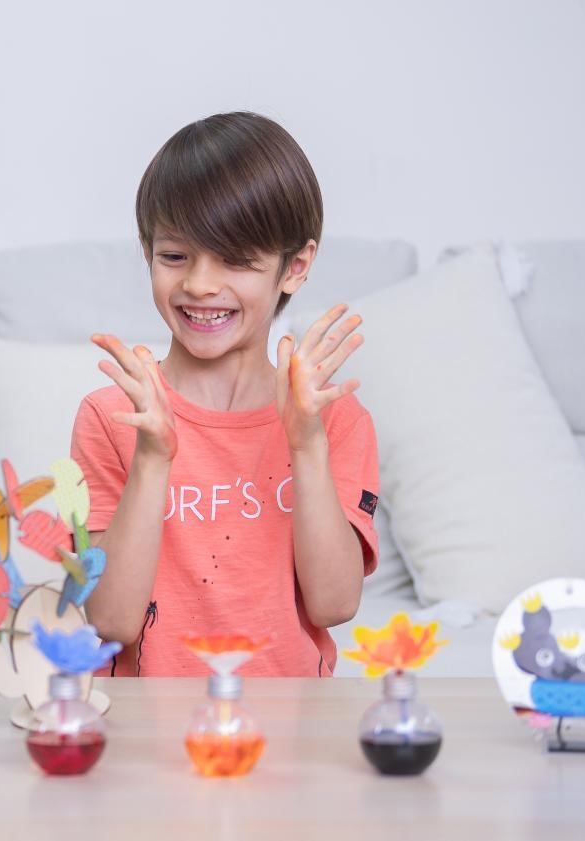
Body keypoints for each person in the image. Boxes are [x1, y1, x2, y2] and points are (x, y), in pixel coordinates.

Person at [73, 113, 379, 677]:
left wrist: (306, 446)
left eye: (236, 259)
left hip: (290, 727)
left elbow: (334, 604)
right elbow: (110, 622)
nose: (199, 285)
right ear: (146, 251)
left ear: (295, 267)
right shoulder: (115, 415)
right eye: (174, 256)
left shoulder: (333, 419)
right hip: (146, 729)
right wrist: (152, 457)